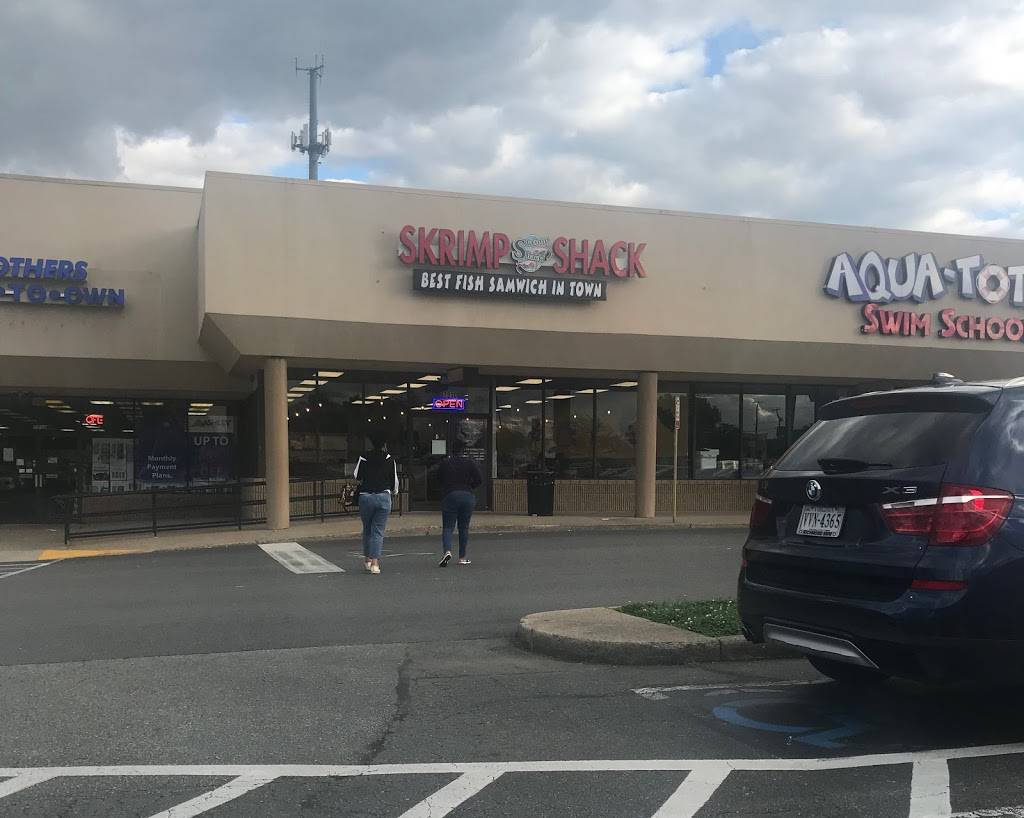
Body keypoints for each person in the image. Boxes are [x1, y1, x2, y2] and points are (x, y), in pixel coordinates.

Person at [353, 435, 399, 575]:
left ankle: (367, 560)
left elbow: (356, 475)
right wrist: (394, 492)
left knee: (367, 528)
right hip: (383, 496)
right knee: (378, 530)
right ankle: (375, 563)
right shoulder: (389, 459)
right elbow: (394, 481)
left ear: (371, 444)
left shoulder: (364, 457)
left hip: (366, 496)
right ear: (384, 445)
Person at [437, 442, 484, 566]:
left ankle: (447, 551)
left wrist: (444, 489)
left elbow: (438, 478)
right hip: (467, 495)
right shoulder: (470, 463)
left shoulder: (446, 463)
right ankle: (462, 557)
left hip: (450, 495)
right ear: (464, 451)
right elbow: (479, 479)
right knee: (463, 527)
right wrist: (470, 487)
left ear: (451, 451)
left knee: (448, 527)